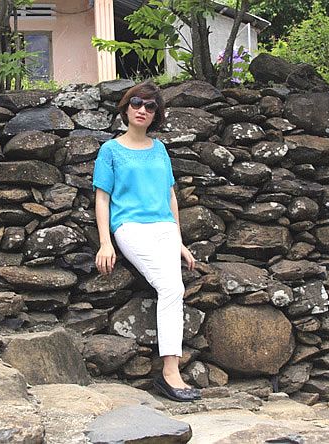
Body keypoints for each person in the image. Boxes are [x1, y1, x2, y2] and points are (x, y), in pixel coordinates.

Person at [92, 81, 200, 402]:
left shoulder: (160, 149)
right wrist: (105, 242)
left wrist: (179, 241)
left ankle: (170, 373)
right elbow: (102, 198)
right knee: (171, 288)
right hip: (130, 227)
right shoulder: (110, 151)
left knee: (173, 289)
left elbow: (170, 196)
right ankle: (170, 374)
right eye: (136, 103)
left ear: (156, 114)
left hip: (164, 228)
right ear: (126, 108)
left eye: (150, 106)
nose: (142, 109)